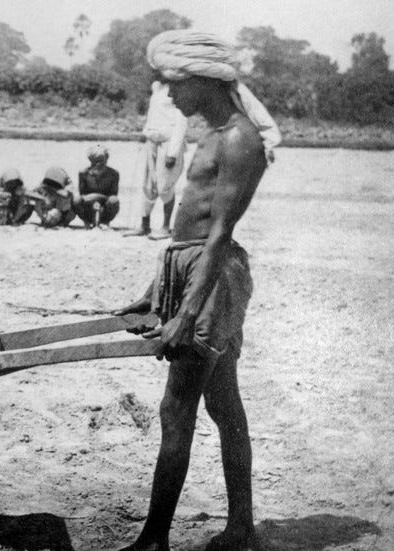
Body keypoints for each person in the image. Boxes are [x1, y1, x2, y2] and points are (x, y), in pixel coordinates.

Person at [113, 29, 271, 551]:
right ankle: (241, 529)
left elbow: (219, 234)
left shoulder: (239, 139)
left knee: (175, 409)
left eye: (174, 83)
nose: (169, 94)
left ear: (203, 79)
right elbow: (190, 225)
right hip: (194, 271)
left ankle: (153, 541)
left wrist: (186, 312)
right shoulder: (213, 134)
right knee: (223, 404)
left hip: (212, 278)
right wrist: (157, 290)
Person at [123, 80, 189, 240]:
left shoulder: (179, 87)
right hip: (152, 140)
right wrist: (146, 133)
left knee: (165, 186)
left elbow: (181, 121)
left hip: (168, 142)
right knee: (148, 184)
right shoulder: (156, 86)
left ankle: (165, 227)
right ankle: (144, 225)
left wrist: (172, 152)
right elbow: (153, 114)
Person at [74, 144, 120, 229]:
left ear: (106, 160)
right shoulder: (83, 173)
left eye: (101, 161)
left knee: (114, 200)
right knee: (76, 200)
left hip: (106, 203)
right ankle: (87, 222)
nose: (99, 164)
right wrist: (92, 198)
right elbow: (82, 194)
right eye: (96, 161)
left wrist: (97, 197)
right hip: (88, 203)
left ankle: (105, 222)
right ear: (91, 161)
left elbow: (114, 194)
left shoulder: (114, 174)